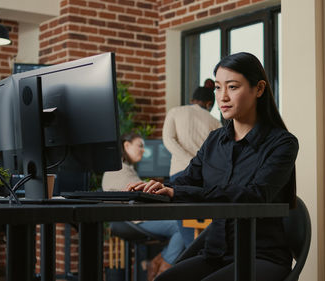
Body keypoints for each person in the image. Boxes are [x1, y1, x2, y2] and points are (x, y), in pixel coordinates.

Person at [127, 52, 299, 281]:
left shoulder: (282, 143)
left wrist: (179, 191)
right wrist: (155, 190)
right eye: (218, 88)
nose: (223, 97)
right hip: (216, 253)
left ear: (258, 89)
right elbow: (185, 181)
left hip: (261, 256)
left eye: (233, 87)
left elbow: (255, 195)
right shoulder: (214, 141)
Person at [102, 133, 185, 281]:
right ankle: (162, 273)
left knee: (180, 226)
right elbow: (139, 197)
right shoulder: (119, 170)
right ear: (126, 146)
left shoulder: (125, 169)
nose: (143, 150)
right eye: (139, 145)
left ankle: (157, 264)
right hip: (133, 219)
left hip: (133, 218)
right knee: (181, 227)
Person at [162, 86, 221, 181]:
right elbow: (218, 153)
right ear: (209, 104)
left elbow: (168, 140)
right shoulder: (216, 122)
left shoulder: (174, 112)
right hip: (203, 174)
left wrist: (189, 161)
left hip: (179, 172)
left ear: (192, 100)